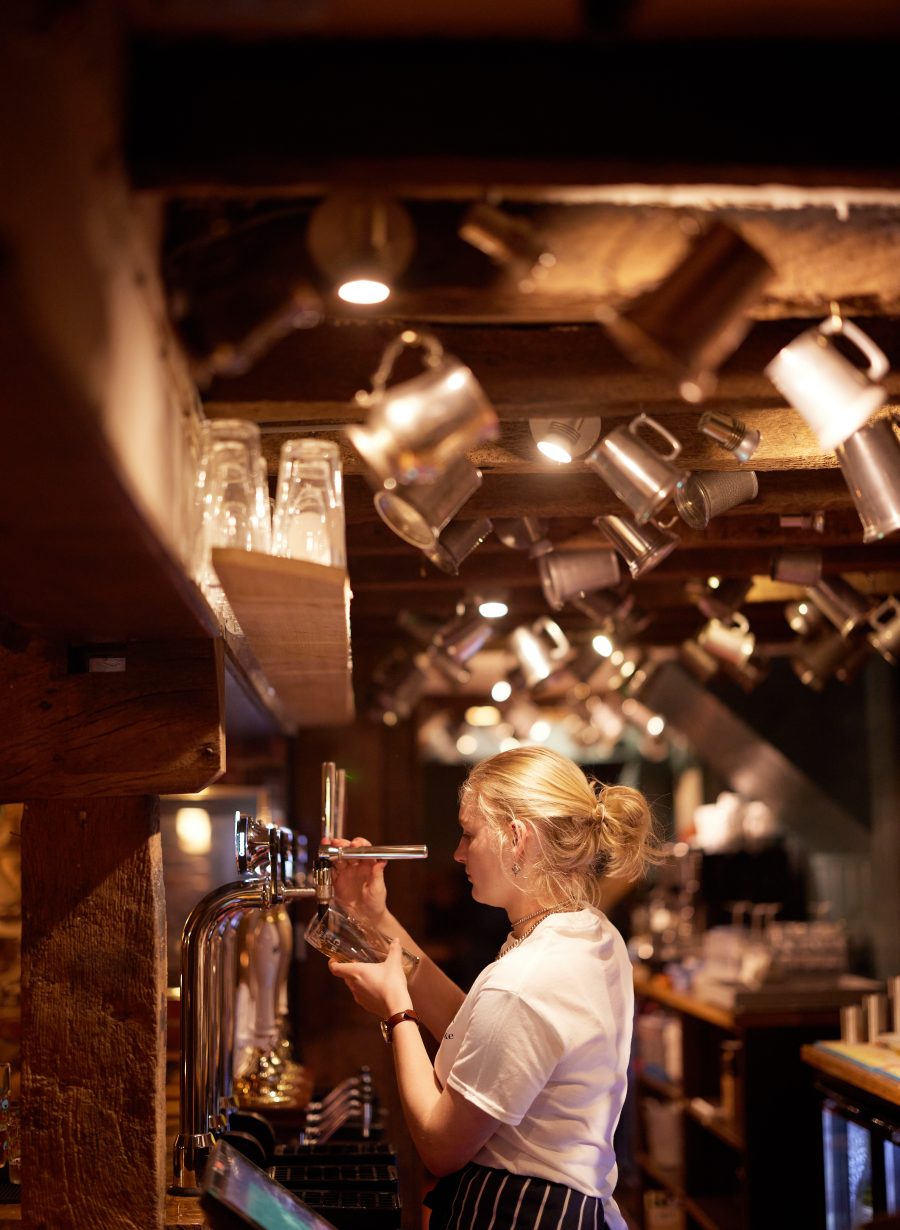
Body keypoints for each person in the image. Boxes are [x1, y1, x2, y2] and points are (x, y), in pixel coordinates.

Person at [327, 745, 659, 1230]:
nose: (458, 852)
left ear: (517, 838)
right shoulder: (589, 931)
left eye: (469, 834)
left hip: (519, 1211)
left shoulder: (527, 980)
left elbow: (440, 1146)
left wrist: (397, 1012)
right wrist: (375, 917)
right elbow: (483, 1035)